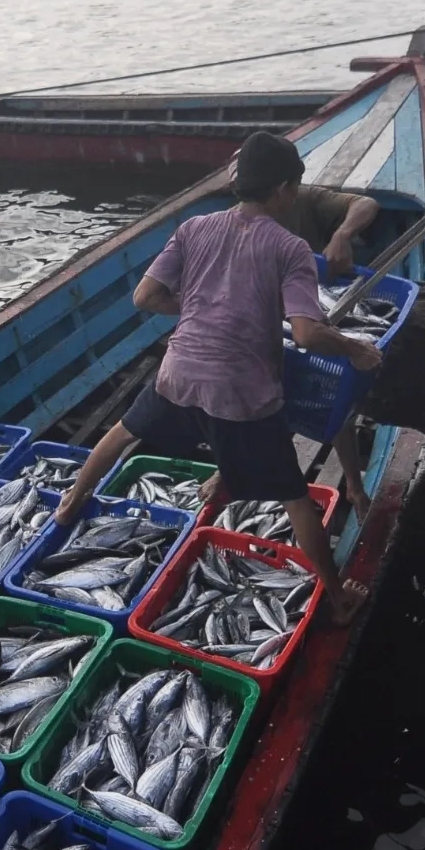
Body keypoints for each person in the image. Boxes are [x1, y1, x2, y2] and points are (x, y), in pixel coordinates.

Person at [50, 133, 380, 623]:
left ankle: (69, 504)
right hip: (241, 395)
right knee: (295, 497)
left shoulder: (194, 227)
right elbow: (307, 334)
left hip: (177, 375)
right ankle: (338, 600)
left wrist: (199, 310)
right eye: (296, 185)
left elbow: (145, 297)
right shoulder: (289, 248)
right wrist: (356, 349)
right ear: (284, 188)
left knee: (121, 433)